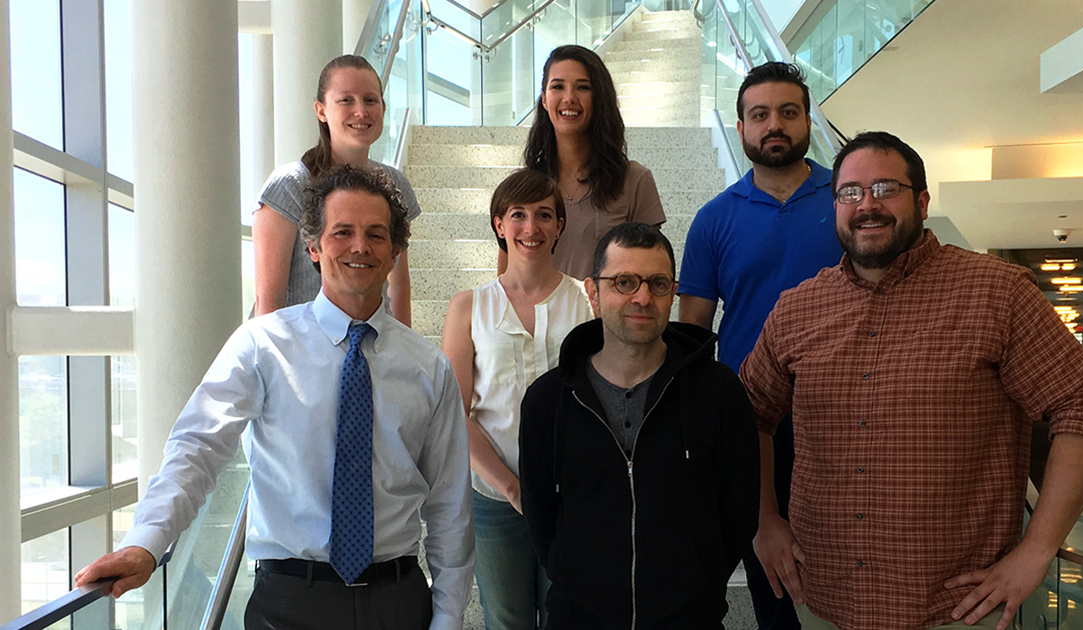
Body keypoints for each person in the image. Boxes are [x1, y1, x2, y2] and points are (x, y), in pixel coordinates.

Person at [740, 131, 1083, 630]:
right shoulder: (797, 309)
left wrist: (1037, 549)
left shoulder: (996, 293)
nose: (867, 205)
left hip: (956, 608)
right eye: (850, 192)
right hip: (824, 601)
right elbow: (746, 415)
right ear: (835, 207)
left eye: (885, 188)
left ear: (921, 202)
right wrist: (764, 522)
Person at [75, 166, 473, 630]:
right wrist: (147, 542)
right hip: (288, 604)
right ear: (314, 247)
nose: (359, 246)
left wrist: (448, 618)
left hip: (398, 603)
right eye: (342, 232)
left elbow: (449, 505)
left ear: (395, 252)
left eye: (376, 235)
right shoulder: (262, 345)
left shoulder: (430, 367)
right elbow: (198, 447)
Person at [519, 222, 759, 629]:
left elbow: (739, 512)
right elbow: (542, 517)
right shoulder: (548, 400)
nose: (643, 297)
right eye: (624, 282)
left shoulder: (718, 393)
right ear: (593, 292)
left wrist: (699, 583)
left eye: (658, 284)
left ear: (673, 292)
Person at [677, 61, 843, 630]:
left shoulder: (846, 203)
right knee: (774, 590)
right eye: (760, 115)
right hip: (749, 427)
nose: (775, 125)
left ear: (808, 122)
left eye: (788, 112)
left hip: (847, 423)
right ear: (742, 128)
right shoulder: (713, 220)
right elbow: (693, 338)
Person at [441, 169, 593, 630]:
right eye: (518, 215)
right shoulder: (468, 306)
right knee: (506, 619)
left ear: (560, 226)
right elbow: (454, 415)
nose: (532, 227)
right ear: (499, 224)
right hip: (493, 495)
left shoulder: (587, 302)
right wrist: (512, 487)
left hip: (574, 493)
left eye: (544, 215)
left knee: (566, 614)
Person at [253, 54, 422, 325]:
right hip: (303, 344)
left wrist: (404, 347)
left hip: (371, 343)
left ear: (383, 107)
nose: (361, 111)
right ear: (321, 110)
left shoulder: (396, 184)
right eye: (346, 100)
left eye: (370, 100)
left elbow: (398, 286)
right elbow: (268, 301)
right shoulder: (290, 184)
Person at [518, 45, 666, 280]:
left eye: (583, 87)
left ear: (599, 98)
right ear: (544, 99)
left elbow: (648, 273)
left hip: (604, 306)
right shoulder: (524, 186)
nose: (569, 98)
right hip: (537, 306)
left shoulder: (635, 180)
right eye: (558, 87)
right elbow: (507, 280)